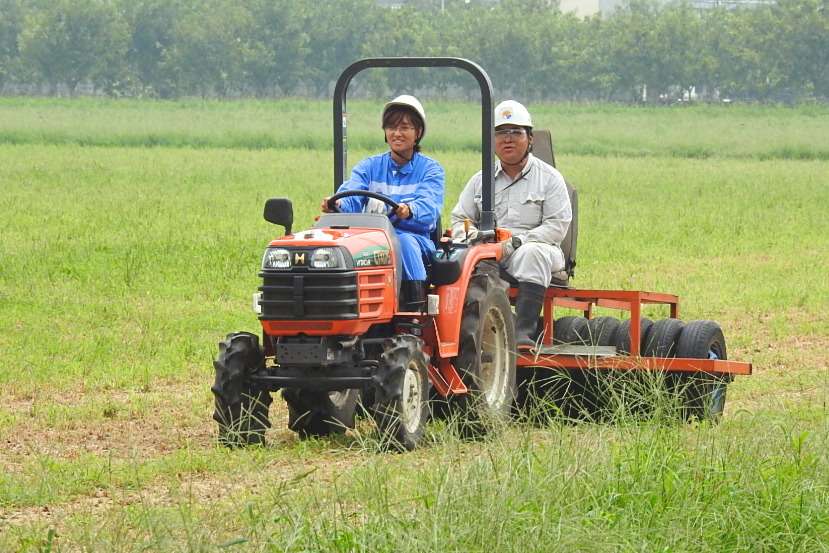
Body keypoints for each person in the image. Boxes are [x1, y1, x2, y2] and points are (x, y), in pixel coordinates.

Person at [450, 100, 572, 350]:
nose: (508, 139)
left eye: (515, 132)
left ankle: (523, 332)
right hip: (491, 255)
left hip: (538, 252)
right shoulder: (480, 181)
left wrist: (515, 243)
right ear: (492, 142)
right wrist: (477, 239)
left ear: (529, 139)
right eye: (500, 133)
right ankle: (468, 335)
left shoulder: (550, 179)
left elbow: (556, 226)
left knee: (531, 253)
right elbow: (459, 220)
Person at [322, 95, 445, 311]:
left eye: (404, 127)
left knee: (403, 242)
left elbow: (429, 205)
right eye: (391, 127)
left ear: (418, 133)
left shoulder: (430, 170)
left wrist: (409, 210)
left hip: (417, 240)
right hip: (374, 240)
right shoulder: (368, 166)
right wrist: (337, 206)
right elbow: (351, 194)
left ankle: (414, 308)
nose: (397, 133)